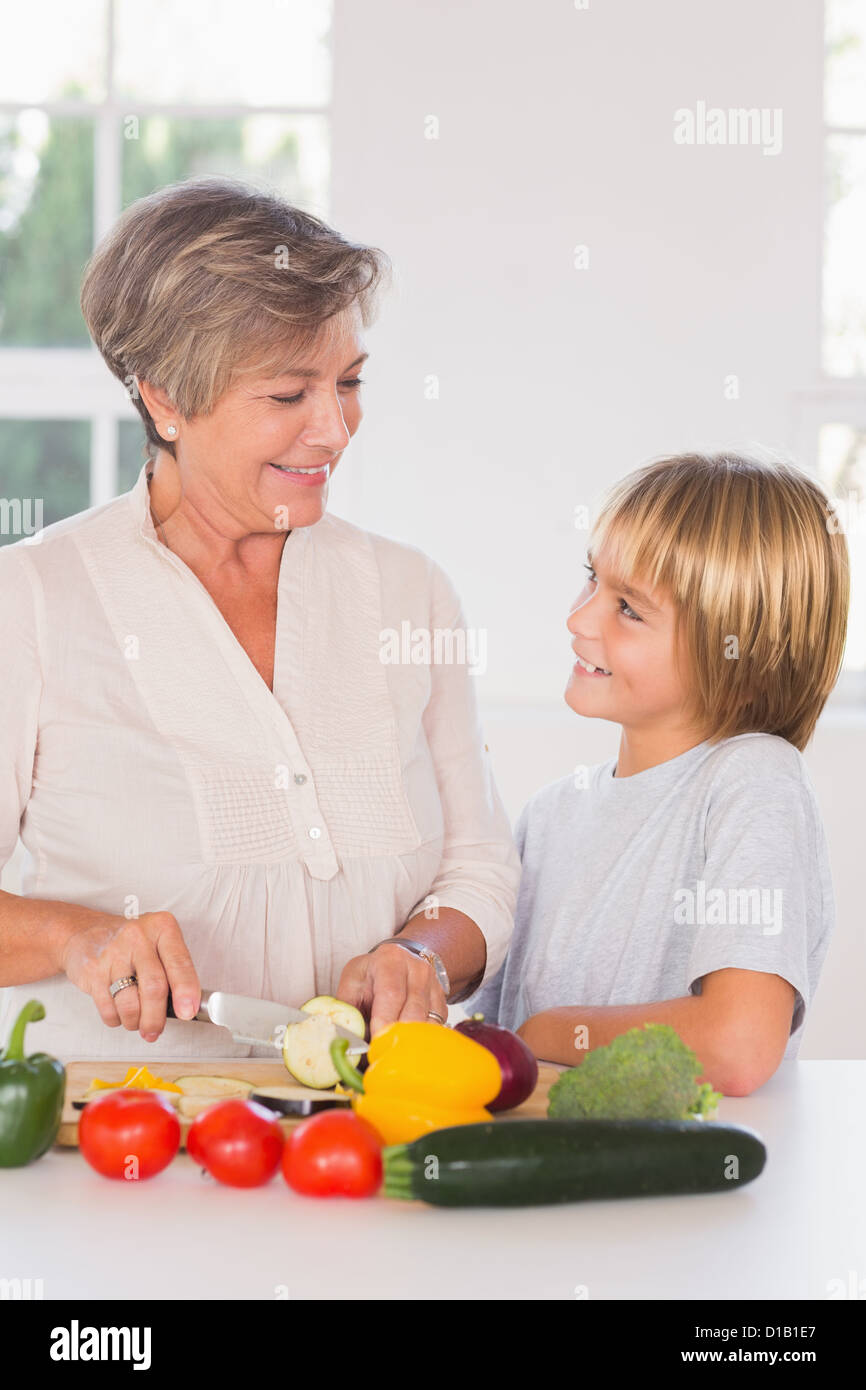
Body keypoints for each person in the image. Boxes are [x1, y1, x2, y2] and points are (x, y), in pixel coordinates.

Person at [0, 177, 519, 1058]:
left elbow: (477, 870)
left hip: (362, 1138)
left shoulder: (409, 592)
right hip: (113, 1143)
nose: (334, 430)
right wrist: (72, 936)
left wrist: (418, 954)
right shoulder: (33, 601)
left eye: (349, 383)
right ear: (164, 399)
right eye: (287, 397)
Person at [469, 451, 849, 1094]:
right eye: (591, 578)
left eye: (629, 609)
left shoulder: (754, 780)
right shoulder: (553, 812)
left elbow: (737, 1045)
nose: (578, 618)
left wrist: (544, 1034)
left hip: (682, 1187)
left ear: (740, 652)